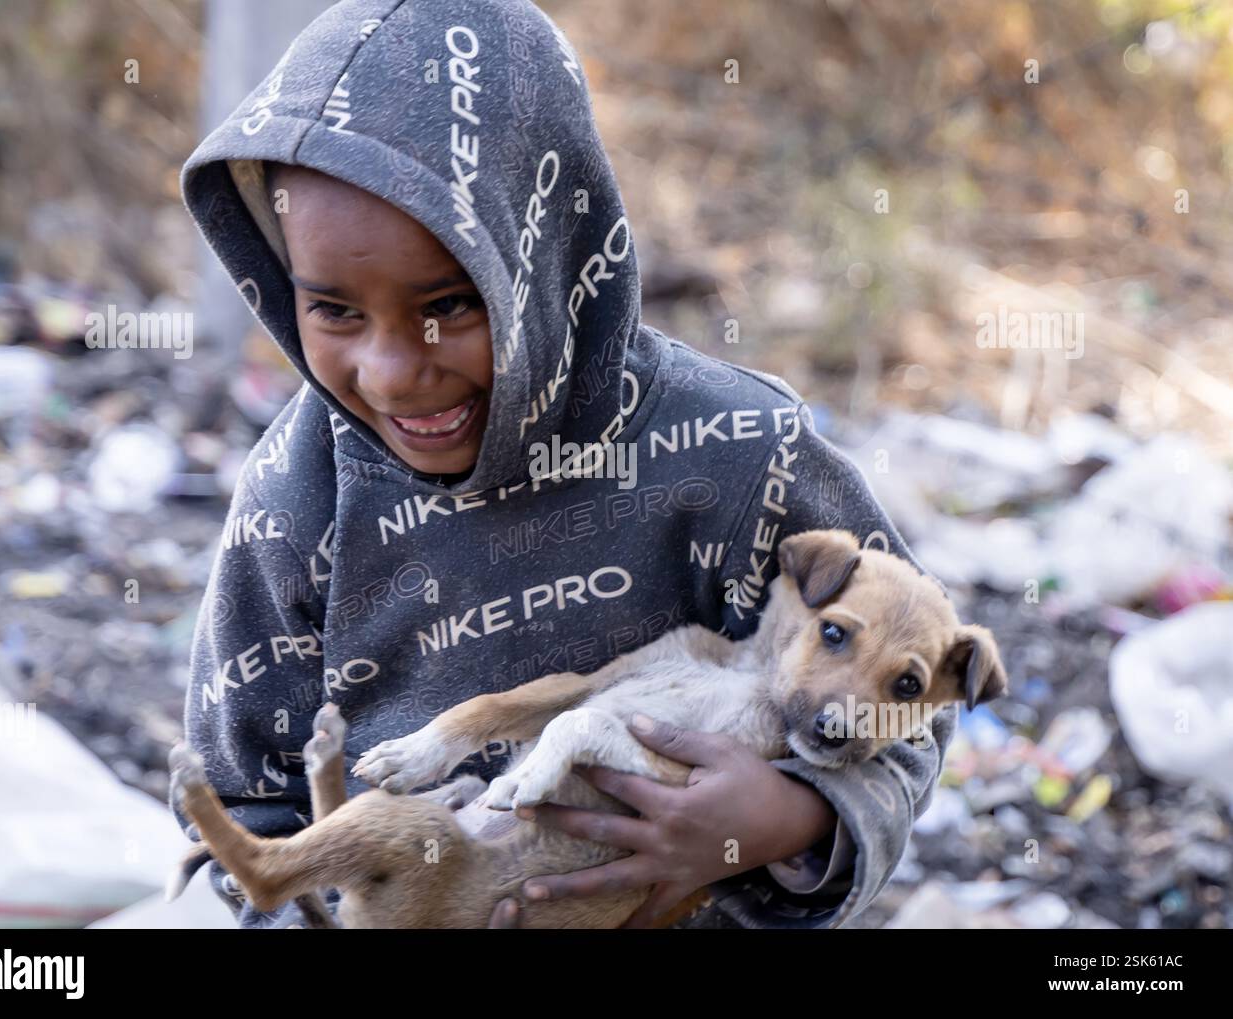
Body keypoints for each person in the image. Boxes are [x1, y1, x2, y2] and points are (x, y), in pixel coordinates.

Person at [171, 0, 957, 930]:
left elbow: (917, 706)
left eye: (452, 305)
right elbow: (243, 817)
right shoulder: (295, 499)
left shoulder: (743, 452)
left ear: (547, 258)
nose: (390, 371)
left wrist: (789, 816)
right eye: (335, 310)